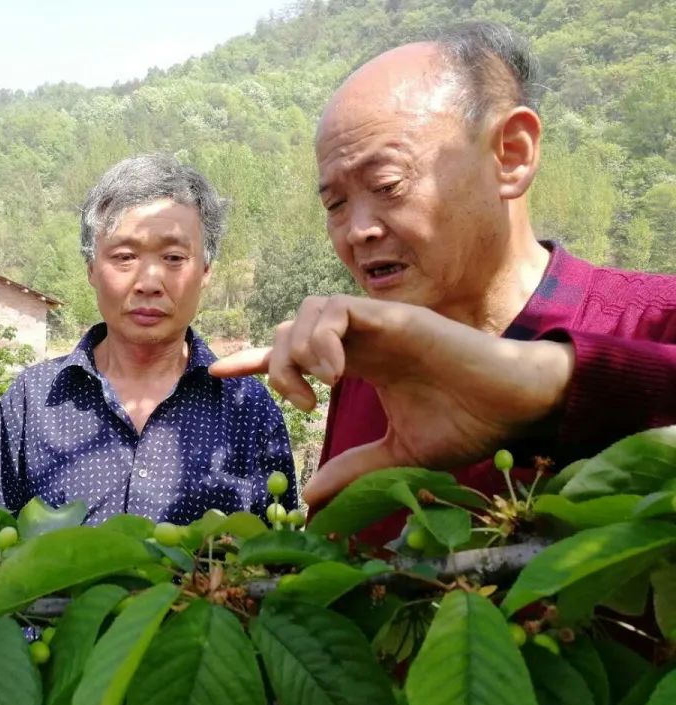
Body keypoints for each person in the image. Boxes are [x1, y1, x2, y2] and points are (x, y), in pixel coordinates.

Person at [213, 22, 676, 517]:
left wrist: (549, 387)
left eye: (388, 184)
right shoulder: (369, 370)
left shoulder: (655, 320)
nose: (357, 231)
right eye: (336, 204)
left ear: (512, 156)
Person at [0, 154, 297, 526]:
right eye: (125, 256)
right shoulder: (32, 401)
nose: (148, 282)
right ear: (91, 268)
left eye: (174, 257)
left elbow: (279, 555)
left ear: (206, 270)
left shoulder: (249, 408)